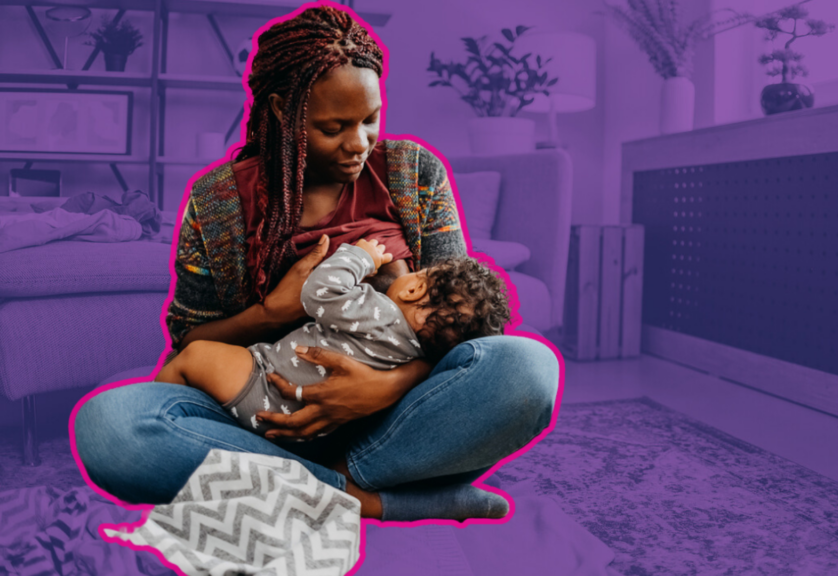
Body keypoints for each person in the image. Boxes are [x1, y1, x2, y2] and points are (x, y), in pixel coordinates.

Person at [72, 4, 558, 522]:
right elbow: (190, 343)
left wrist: (383, 388)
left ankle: (304, 485)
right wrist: (272, 313)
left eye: (370, 119)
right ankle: (361, 497)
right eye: (333, 127)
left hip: (388, 421)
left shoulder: (413, 173)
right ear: (284, 110)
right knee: (110, 426)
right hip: (254, 416)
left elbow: (462, 328)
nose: (359, 143)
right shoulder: (220, 200)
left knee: (527, 368)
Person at [156, 236, 511, 441]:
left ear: (415, 287)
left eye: (418, 272)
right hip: (307, 428)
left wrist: (362, 257)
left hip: (265, 386)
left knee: (193, 357)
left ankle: (153, 407)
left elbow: (320, 292)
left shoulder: (379, 313)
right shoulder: (409, 352)